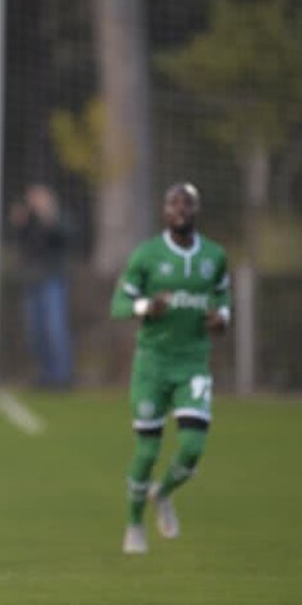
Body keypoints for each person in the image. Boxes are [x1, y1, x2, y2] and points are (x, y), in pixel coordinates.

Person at [109, 182, 231, 555]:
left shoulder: (214, 256)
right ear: (164, 211)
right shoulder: (147, 255)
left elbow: (223, 295)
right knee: (147, 451)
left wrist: (222, 316)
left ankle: (162, 494)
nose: (180, 210)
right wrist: (147, 307)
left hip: (193, 361)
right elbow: (119, 305)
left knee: (193, 446)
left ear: (196, 211)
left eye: (187, 204)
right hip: (153, 365)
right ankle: (133, 523)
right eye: (174, 203)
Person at [8, 183, 75, 388]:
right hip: (31, 281)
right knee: (35, 332)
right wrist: (19, 220)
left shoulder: (58, 218)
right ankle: (45, 374)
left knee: (55, 329)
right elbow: (18, 240)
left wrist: (48, 215)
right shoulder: (28, 220)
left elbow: (66, 237)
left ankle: (62, 377)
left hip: (53, 280)